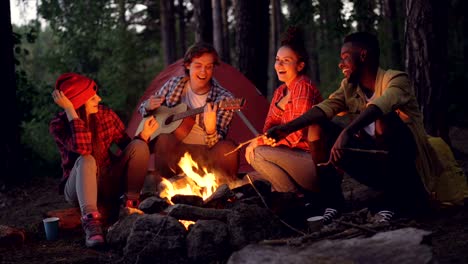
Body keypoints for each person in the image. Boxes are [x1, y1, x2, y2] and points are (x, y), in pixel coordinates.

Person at [266, 32, 433, 224]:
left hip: (406, 168)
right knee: (317, 125)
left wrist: (347, 131)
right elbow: (324, 108)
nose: (341, 63)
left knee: (384, 119)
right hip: (374, 165)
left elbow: (380, 106)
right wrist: (286, 128)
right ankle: (332, 202)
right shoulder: (349, 88)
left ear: (363, 56)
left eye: (345, 57)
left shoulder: (396, 79)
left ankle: (393, 201)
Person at [50, 73, 158, 248]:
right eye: (92, 98)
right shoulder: (59, 124)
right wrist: (71, 112)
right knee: (86, 159)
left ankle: (130, 207)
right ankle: (91, 223)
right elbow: (83, 148)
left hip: (108, 180)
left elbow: (128, 147)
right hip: (78, 188)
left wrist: (143, 136)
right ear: (79, 103)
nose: (99, 99)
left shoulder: (105, 115)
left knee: (139, 146)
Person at [138, 42, 239, 183]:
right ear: (187, 65)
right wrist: (148, 106)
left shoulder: (224, 99)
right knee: (165, 139)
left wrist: (210, 130)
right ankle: (162, 188)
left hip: (204, 153)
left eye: (208, 67)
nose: (203, 72)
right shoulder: (174, 84)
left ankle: (220, 192)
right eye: (198, 66)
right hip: (173, 153)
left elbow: (215, 144)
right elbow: (143, 109)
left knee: (228, 149)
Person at [244, 27, 323, 197]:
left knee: (257, 154)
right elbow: (268, 128)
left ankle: (293, 198)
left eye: (286, 60)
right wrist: (279, 108)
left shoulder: (303, 87)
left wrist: (258, 143)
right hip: (293, 159)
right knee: (251, 172)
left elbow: (294, 137)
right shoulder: (281, 92)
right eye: (277, 59)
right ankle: (287, 195)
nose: (279, 65)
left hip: (314, 162)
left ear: (300, 65)